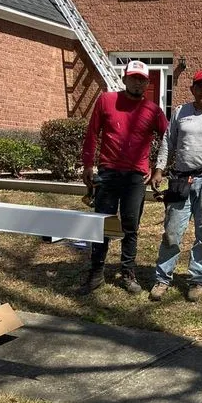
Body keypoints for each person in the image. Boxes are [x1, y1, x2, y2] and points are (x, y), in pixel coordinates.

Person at [79, 60, 168, 295]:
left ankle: (128, 273)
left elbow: (168, 139)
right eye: (133, 78)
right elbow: (92, 133)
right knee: (102, 225)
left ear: (147, 82)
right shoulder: (106, 100)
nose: (137, 83)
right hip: (107, 174)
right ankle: (96, 273)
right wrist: (88, 165)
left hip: (135, 178)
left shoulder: (153, 111)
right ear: (125, 78)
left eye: (142, 79)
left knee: (131, 226)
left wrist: (158, 167)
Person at [149, 70, 202, 302]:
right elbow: (168, 141)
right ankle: (162, 279)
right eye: (200, 86)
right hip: (180, 181)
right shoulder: (180, 113)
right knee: (172, 232)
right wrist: (159, 169)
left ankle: (197, 280)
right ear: (192, 89)